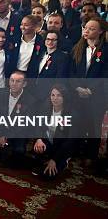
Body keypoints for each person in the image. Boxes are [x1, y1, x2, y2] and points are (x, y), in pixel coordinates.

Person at [69, 17, 108, 164]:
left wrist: (91, 90)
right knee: (77, 124)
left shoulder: (105, 50)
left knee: (93, 125)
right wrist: (77, 87)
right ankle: (74, 150)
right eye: (86, 28)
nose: (87, 30)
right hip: (77, 93)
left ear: (100, 31)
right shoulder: (77, 47)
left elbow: (105, 73)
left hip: (97, 95)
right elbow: (71, 72)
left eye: (91, 28)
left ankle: (91, 155)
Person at [0, 71, 35, 166]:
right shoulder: (0, 94)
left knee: (19, 152)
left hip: (17, 132)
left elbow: (24, 125)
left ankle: (5, 152)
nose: (14, 84)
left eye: (18, 81)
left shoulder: (30, 100)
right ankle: (1, 151)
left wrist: (6, 137)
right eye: (12, 80)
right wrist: (0, 135)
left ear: (24, 84)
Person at [31, 84, 76, 179]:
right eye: (53, 95)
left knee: (47, 176)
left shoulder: (71, 114)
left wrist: (54, 160)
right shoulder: (45, 107)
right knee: (35, 155)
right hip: (48, 142)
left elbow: (70, 141)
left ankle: (64, 161)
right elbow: (38, 126)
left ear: (65, 97)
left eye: (59, 95)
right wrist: (39, 139)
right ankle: (45, 160)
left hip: (62, 148)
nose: (55, 98)